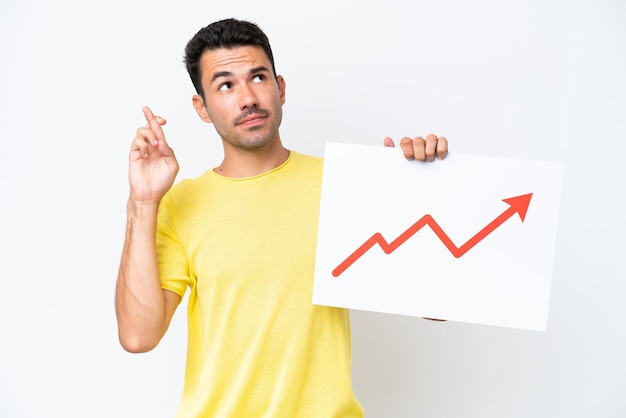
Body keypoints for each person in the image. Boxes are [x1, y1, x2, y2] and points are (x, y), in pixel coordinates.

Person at [115, 18, 448, 418]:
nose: (248, 98)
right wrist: (143, 202)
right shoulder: (179, 204)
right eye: (226, 85)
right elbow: (138, 335)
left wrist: (419, 192)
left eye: (258, 77)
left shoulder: (343, 185)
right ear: (201, 108)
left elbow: (435, 306)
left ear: (281, 88)